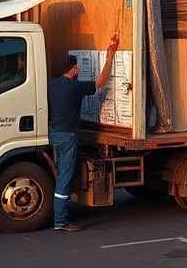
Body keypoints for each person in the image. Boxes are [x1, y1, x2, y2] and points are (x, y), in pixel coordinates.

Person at [48, 34, 119, 232]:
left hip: (54, 133)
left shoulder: (52, 85)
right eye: (77, 66)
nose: (79, 69)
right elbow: (101, 82)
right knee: (65, 177)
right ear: (72, 69)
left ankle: (59, 216)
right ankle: (60, 222)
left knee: (62, 173)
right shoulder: (74, 87)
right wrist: (110, 56)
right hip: (68, 136)